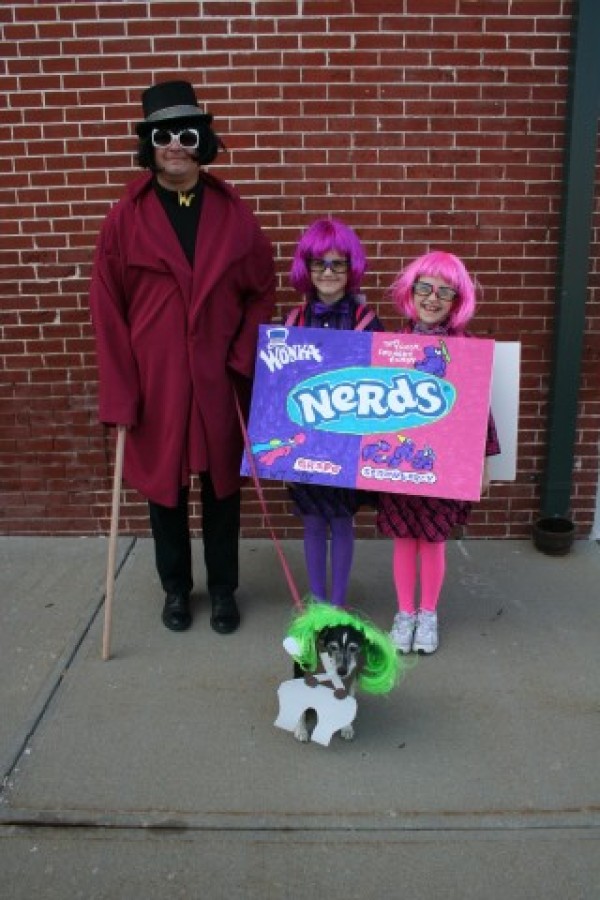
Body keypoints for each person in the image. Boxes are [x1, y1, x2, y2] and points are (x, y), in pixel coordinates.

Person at [89, 80, 276, 635]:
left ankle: (222, 591)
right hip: (157, 381)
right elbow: (107, 309)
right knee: (164, 491)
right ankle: (176, 590)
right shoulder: (124, 219)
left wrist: (242, 356)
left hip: (218, 378)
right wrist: (122, 390)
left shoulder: (234, 215)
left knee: (221, 490)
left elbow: (261, 290)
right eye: (162, 135)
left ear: (203, 142)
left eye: (186, 135)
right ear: (150, 145)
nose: (175, 145)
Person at [377, 250, 500, 654]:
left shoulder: (466, 350)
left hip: (444, 467)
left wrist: (481, 464)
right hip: (398, 462)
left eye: (444, 292)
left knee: (432, 541)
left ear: (457, 301)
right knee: (402, 540)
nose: (433, 299)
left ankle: (428, 614)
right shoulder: (392, 347)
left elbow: (480, 413)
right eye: (425, 289)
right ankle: (404, 613)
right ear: (411, 293)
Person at [285, 218, 384, 607]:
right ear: (306, 268)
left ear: (351, 269)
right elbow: (281, 384)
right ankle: (318, 602)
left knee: (342, 520)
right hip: (307, 441)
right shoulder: (294, 320)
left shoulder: (365, 321)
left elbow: (379, 383)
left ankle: (338, 604)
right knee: (312, 521)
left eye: (337, 264)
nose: (328, 273)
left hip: (346, 442)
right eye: (319, 264)